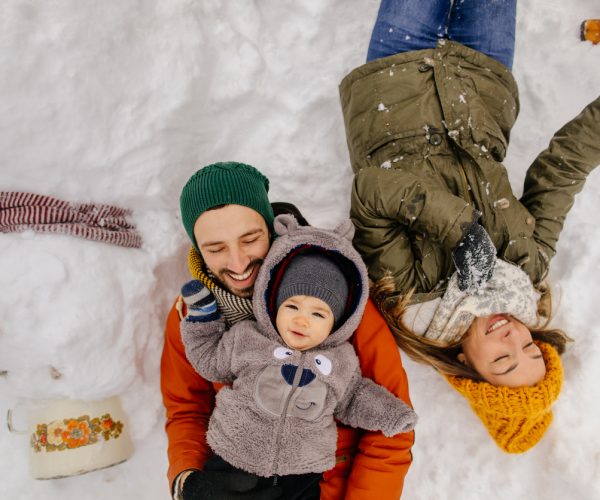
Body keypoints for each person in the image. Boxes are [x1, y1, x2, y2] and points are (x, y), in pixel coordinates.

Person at [339, 0, 600, 452]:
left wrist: (463, 233)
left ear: (466, 364)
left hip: (394, 87)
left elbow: (371, 191)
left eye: (502, 359)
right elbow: (559, 173)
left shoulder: (412, 299)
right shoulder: (525, 272)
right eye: (532, 350)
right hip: (482, 82)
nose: (513, 337)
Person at [160, 162, 415, 500]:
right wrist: (186, 478)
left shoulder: (335, 300)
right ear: (198, 249)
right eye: (216, 249)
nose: (237, 264)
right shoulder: (193, 319)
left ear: (272, 229)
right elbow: (187, 410)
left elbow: (388, 431)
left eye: (250, 240)